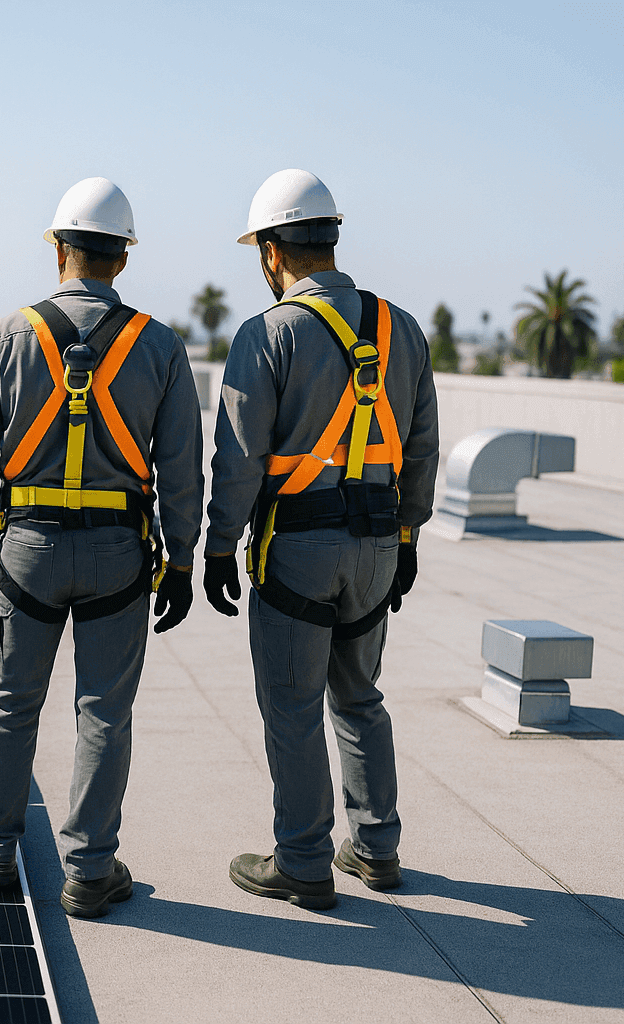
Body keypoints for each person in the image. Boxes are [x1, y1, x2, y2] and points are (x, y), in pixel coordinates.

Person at [0, 176, 204, 919]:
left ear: (59, 251)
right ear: (121, 259)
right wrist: (182, 559)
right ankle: (90, 869)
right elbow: (182, 466)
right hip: (118, 555)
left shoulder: (7, 335)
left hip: (26, 550)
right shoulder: (158, 345)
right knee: (102, 712)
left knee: (10, 704)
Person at [204, 168, 439, 910]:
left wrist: (216, 546)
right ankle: (376, 847)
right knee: (361, 697)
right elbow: (423, 447)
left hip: (298, 552)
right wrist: (406, 537)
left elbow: (239, 457)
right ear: (331, 239)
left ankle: (303, 860)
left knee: (294, 706)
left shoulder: (267, 334)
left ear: (272, 251)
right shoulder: (401, 327)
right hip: (376, 547)